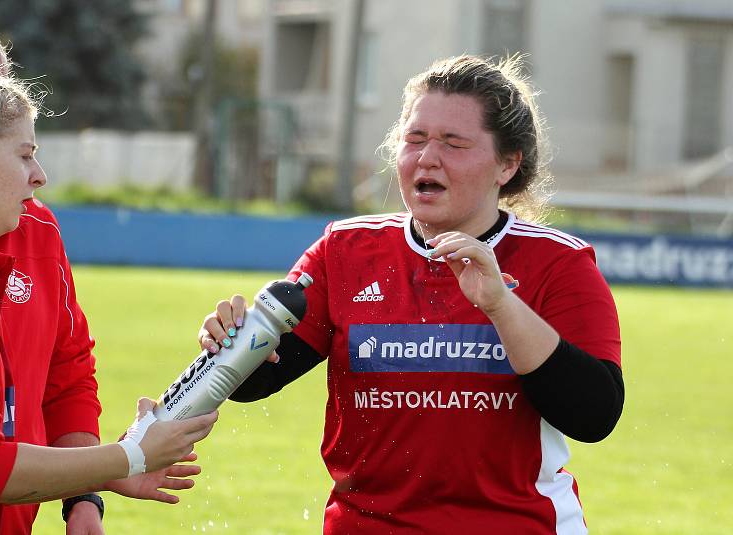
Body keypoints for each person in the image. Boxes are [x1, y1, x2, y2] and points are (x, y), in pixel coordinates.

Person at [200, 54, 624, 534]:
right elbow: (252, 385)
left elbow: (595, 415)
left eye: (454, 143)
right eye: (414, 138)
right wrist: (231, 344)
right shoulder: (344, 250)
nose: (427, 157)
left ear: (507, 165)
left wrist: (501, 307)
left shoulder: (559, 262)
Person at [0, 6, 192, 533]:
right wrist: (128, 458)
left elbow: (67, 371)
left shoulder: (21, 235)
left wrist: (84, 496)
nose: (40, 176)